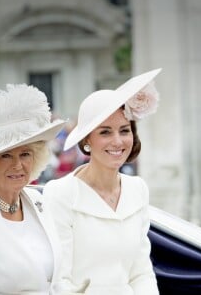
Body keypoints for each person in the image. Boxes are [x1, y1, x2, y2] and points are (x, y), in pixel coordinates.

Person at [43, 68, 162, 295]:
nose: (118, 141)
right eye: (105, 132)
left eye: (124, 130)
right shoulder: (60, 193)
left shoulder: (138, 189)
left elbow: (141, 273)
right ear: (87, 140)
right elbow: (60, 281)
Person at [0, 84, 66, 294]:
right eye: (6, 155)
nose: (18, 165)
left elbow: (55, 281)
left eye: (25, 154)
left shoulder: (37, 201)